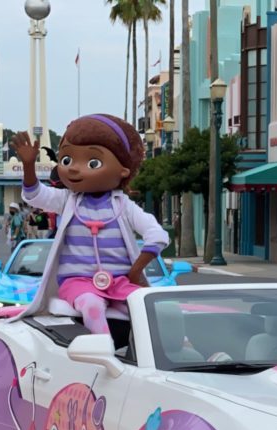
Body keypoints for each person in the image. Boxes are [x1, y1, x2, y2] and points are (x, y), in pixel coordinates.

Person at [12, 113, 170, 335]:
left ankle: (184, 351)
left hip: (120, 283)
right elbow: (35, 195)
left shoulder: (123, 206)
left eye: (92, 162)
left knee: (157, 310)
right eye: (67, 160)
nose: (74, 168)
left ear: (123, 170)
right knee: (92, 305)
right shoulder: (67, 200)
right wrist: (29, 166)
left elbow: (157, 235)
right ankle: (101, 355)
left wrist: (135, 271)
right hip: (78, 283)